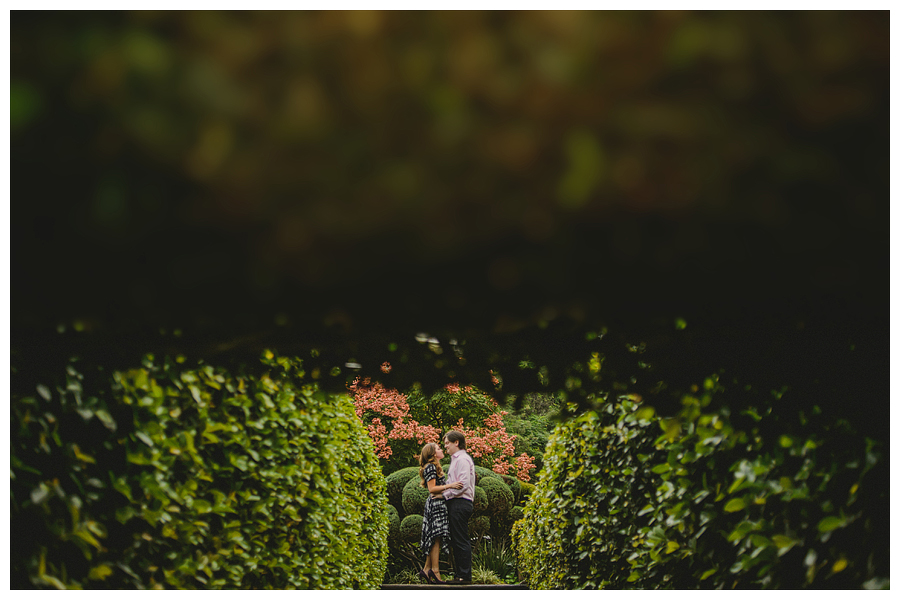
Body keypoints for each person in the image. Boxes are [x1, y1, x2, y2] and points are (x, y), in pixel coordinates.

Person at [417, 442, 463, 584]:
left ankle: (426, 569)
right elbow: (432, 488)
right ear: (432, 454)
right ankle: (435, 571)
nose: (441, 449)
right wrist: (451, 485)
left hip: (438, 504)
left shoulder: (434, 467)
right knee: (436, 538)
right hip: (435, 505)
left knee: (435, 538)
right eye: (438, 448)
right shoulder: (430, 467)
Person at [440, 430, 475, 584]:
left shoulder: (462, 459)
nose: (445, 446)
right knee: (457, 539)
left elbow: (463, 484)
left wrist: (445, 495)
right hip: (457, 502)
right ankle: (460, 574)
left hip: (460, 502)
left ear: (456, 442)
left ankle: (464, 576)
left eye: (447, 443)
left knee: (460, 539)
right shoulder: (456, 459)